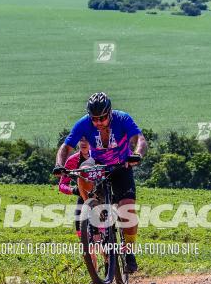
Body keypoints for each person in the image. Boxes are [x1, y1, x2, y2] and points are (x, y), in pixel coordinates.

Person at [52, 93, 147, 273]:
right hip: (98, 165)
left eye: (102, 117)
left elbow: (140, 140)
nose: (98, 122)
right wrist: (59, 165)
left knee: (127, 209)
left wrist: (137, 155)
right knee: (83, 172)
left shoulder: (122, 118)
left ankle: (129, 253)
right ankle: (93, 205)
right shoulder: (83, 123)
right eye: (94, 118)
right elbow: (66, 147)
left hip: (121, 165)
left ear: (110, 113)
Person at [57, 139, 93, 237]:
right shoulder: (72, 160)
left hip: (100, 195)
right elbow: (62, 185)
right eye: (81, 140)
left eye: (87, 140)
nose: (83, 143)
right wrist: (73, 190)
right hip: (82, 195)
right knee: (78, 223)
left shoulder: (99, 157)